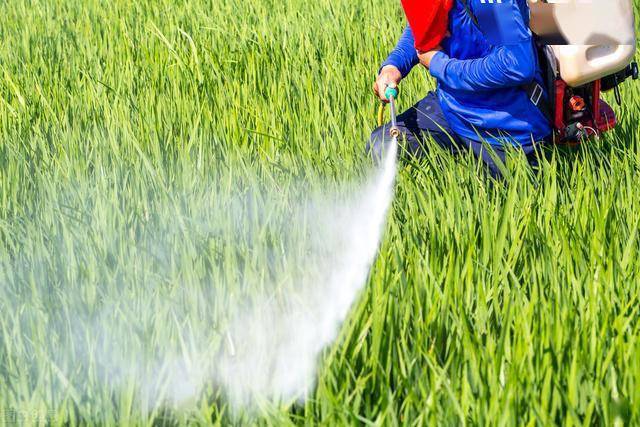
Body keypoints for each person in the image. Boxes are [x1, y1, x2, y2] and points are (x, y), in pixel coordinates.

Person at [369, 0, 552, 178]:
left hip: (505, 127)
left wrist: (439, 65)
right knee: (381, 146)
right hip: (452, 109)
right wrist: (394, 66)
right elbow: (426, 23)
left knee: (498, 204)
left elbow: (516, 65)